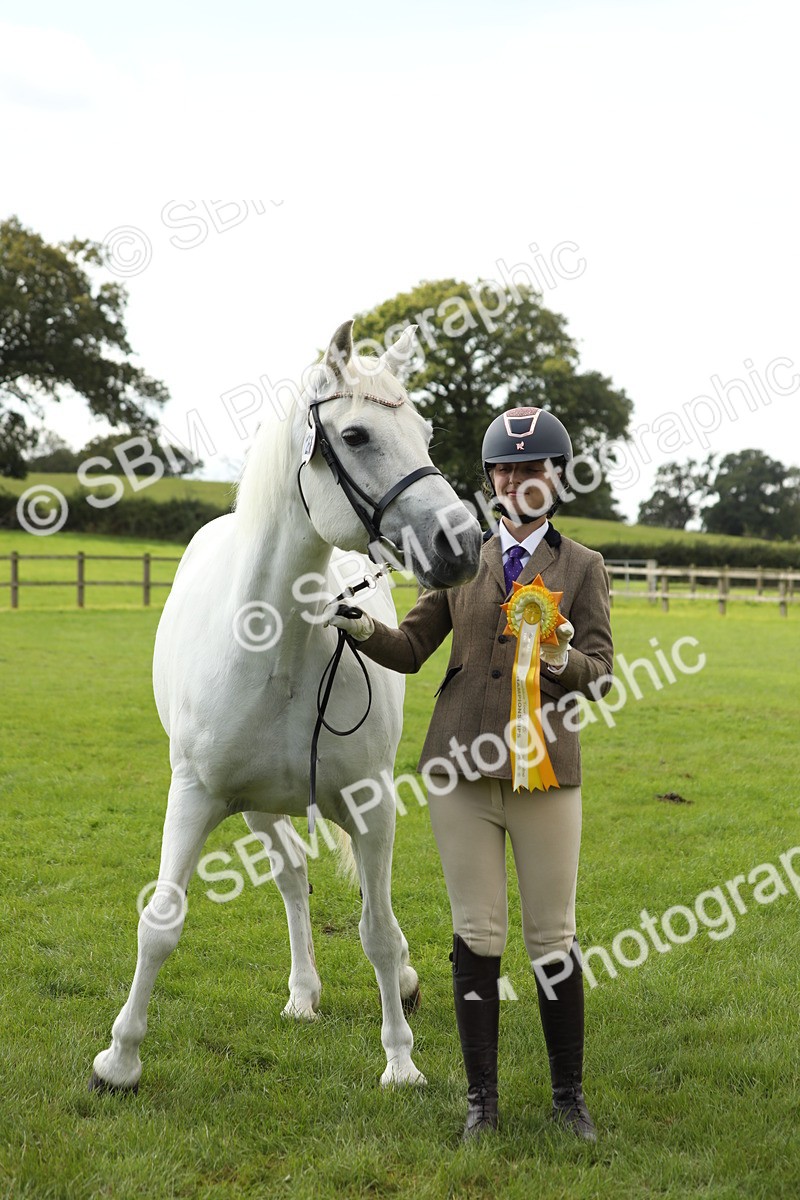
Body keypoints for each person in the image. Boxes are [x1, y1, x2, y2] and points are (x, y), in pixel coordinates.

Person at [326, 406, 613, 1142]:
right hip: (458, 771)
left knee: (553, 937)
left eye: (534, 468)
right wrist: (360, 629)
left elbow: (602, 675)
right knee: (476, 933)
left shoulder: (582, 567)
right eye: (507, 469)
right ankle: (481, 1102)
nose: (519, 480)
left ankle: (568, 1098)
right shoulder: (460, 560)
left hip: (546, 773)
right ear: (490, 479)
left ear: (556, 479)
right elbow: (413, 645)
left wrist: (561, 662)